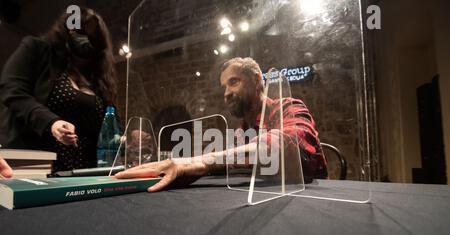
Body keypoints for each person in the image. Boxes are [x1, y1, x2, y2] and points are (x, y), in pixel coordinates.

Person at [116, 57, 327, 191]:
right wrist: (185, 168)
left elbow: (288, 143)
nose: (226, 93)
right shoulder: (241, 131)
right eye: (224, 86)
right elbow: (234, 166)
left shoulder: (289, 107)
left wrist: (200, 162)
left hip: (311, 201)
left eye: (233, 82)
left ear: (256, 80)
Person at [0, 8, 117, 173]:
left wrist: (124, 137)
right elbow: (13, 91)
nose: (86, 42)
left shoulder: (97, 77)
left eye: (93, 38)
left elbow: (109, 121)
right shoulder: (37, 50)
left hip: (84, 171)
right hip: (35, 164)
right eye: (81, 34)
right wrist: (51, 122)